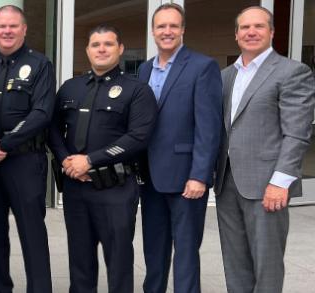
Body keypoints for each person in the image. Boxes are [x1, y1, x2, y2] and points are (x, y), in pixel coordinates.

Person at [47, 25, 157, 293]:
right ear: (87, 50)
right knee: (80, 261)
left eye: (108, 44)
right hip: (76, 188)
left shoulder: (137, 90)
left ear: (120, 49)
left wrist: (91, 161)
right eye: (96, 45)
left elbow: (138, 137)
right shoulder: (71, 87)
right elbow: (52, 129)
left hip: (115, 188)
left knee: (118, 260)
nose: (101, 49)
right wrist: (66, 162)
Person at [215, 6, 315, 292]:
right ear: (236, 35)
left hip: (267, 185)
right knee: (235, 262)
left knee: (267, 264)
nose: (251, 32)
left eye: (259, 26)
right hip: (226, 182)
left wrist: (280, 181)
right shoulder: (225, 77)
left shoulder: (292, 72)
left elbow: (297, 133)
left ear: (271, 32)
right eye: (245, 28)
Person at [136, 4, 223, 293]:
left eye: (173, 26)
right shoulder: (145, 69)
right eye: (161, 26)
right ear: (153, 31)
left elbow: (208, 128)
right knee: (154, 252)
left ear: (183, 29)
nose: (167, 31)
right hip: (150, 179)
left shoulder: (202, 66)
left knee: (185, 254)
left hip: (186, 179)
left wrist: (200, 175)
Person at [0, 5, 55, 293]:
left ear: (24, 29)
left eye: (13, 26)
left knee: (32, 234)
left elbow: (42, 112)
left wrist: (5, 144)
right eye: (1, 26)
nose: (7, 31)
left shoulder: (40, 64)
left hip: (25, 163)